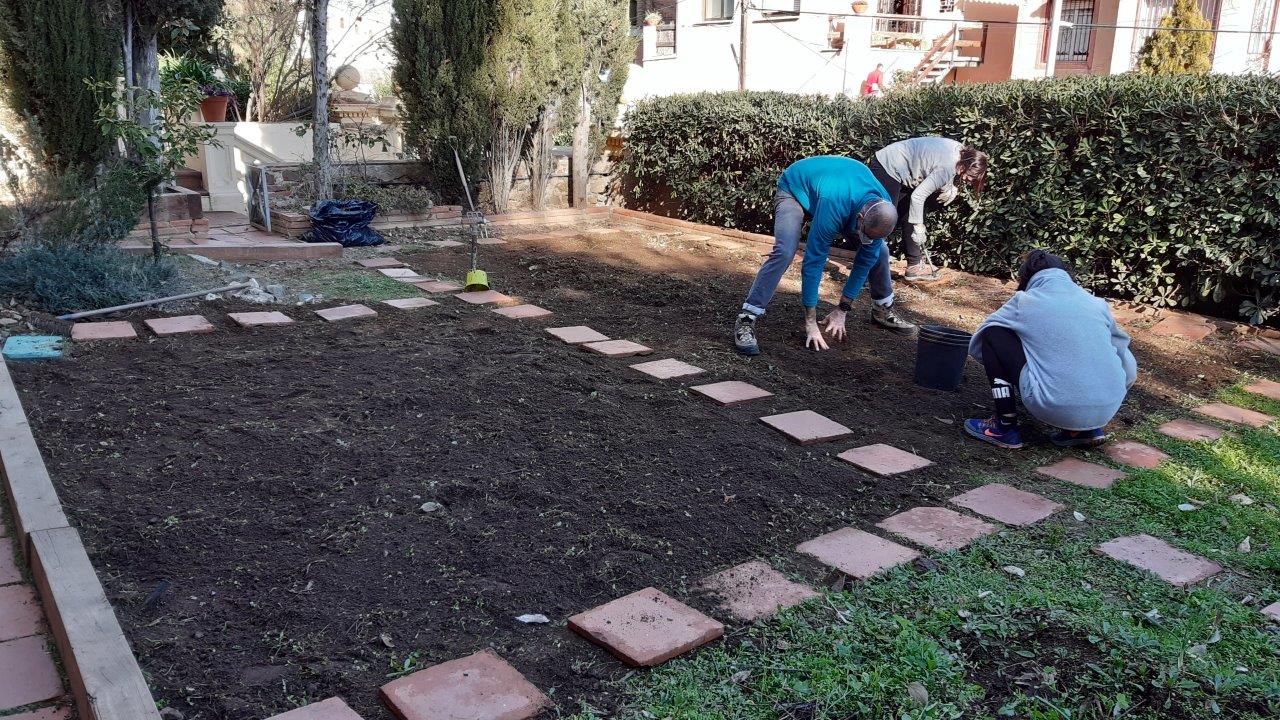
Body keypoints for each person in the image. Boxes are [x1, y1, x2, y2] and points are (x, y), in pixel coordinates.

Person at [734, 155, 915, 356]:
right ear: (860, 217)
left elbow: (865, 261)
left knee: (879, 251)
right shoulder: (834, 203)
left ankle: (882, 309)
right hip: (796, 188)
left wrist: (842, 310)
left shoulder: (883, 208)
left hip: (839, 196)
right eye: (862, 231)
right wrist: (810, 321)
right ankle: (747, 318)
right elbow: (814, 260)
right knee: (785, 251)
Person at [964, 250, 1138, 449]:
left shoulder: (1025, 301)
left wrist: (1018, 364)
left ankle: (1004, 426)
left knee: (993, 333)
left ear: (1027, 278)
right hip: (1106, 409)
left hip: (1053, 405)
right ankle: (1084, 430)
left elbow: (979, 341)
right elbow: (1129, 368)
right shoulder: (1097, 304)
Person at [868, 137, 988, 282]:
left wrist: (949, 186)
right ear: (966, 165)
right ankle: (870, 270)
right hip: (888, 166)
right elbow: (918, 196)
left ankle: (914, 266)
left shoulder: (961, 152)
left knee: (910, 214)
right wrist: (919, 227)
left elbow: (936, 164)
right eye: (971, 176)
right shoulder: (948, 168)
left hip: (905, 172)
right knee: (884, 220)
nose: (969, 180)